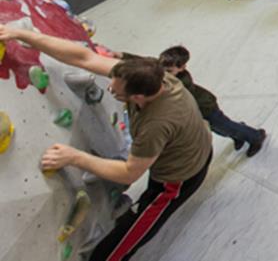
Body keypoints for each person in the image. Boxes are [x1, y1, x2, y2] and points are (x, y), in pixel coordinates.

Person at [0, 26, 212, 261]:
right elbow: (84, 58)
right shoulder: (150, 77)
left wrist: (74, 157)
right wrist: (22, 35)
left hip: (181, 177)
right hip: (189, 146)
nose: (110, 88)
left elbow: (129, 172)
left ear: (138, 97)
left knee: (117, 247)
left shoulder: (156, 124)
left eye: (117, 92)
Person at [158, 45, 266, 155]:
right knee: (218, 129)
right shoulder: (171, 77)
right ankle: (237, 135)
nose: (165, 74)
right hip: (199, 110)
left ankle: (256, 136)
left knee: (224, 126)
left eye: (169, 71)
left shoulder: (181, 83)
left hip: (206, 107)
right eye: (162, 70)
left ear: (182, 68)